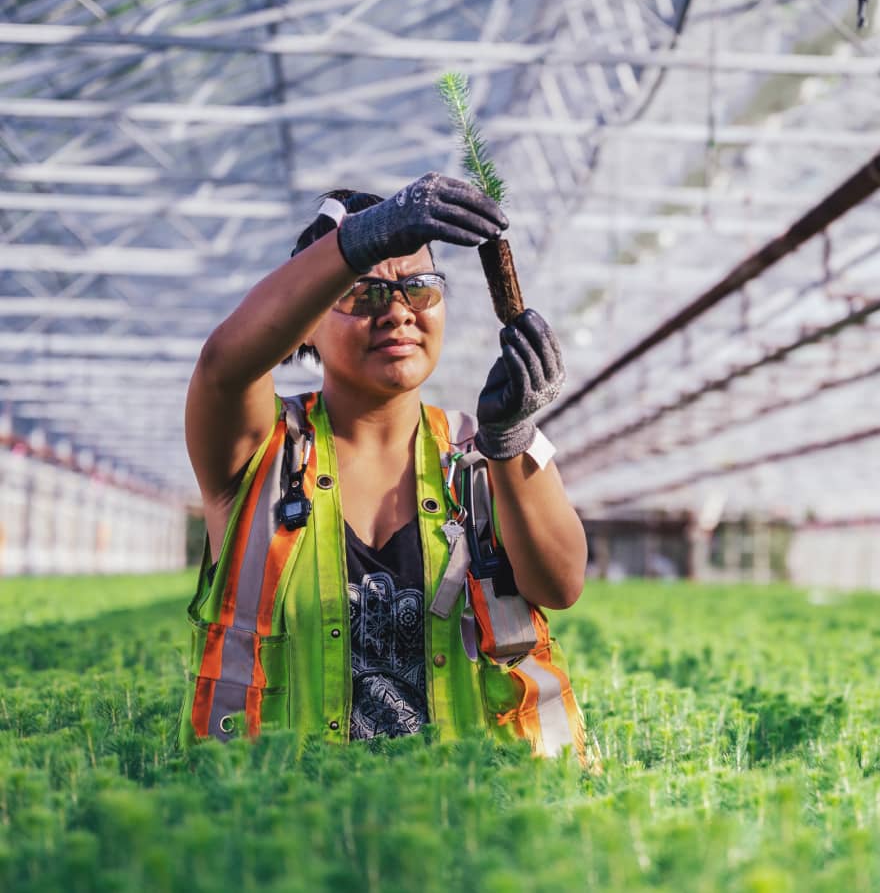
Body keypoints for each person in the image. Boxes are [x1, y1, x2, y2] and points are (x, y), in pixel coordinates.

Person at [177, 174, 589, 758]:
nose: (397, 312)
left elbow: (560, 583)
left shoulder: (485, 450)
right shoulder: (260, 449)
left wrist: (511, 439)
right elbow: (223, 365)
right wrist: (359, 240)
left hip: (469, 815)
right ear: (307, 326)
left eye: (418, 289)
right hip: (284, 820)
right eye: (363, 293)